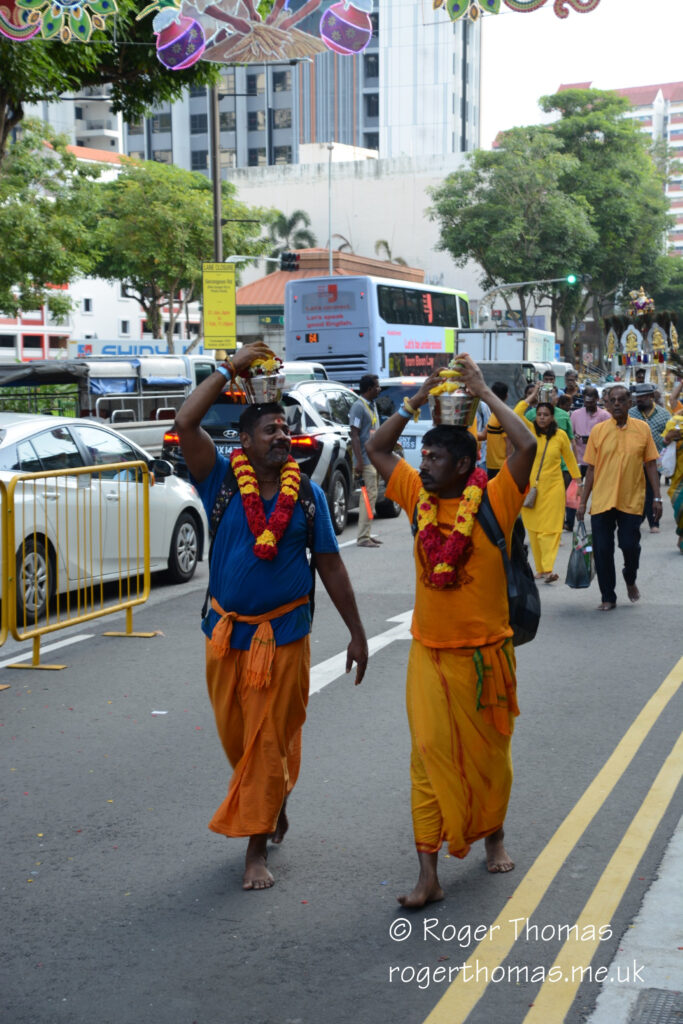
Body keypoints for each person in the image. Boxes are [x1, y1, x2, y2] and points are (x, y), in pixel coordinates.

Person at [175, 343, 368, 891]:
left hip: (285, 636)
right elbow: (186, 420)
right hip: (224, 635)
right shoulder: (220, 479)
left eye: (286, 429)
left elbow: (329, 566)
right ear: (244, 441)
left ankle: (255, 848)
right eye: (271, 430)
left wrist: (357, 633)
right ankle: (274, 798)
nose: (282, 436)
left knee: (264, 741)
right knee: (239, 740)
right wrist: (229, 368)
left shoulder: (306, 495)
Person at [366, 354, 536, 907]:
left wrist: (483, 392)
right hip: (430, 657)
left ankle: (495, 834)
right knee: (426, 757)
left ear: (465, 465)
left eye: (437, 457)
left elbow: (526, 448)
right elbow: (375, 449)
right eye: (425, 455)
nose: (427, 463)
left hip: (487, 658)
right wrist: (416, 399)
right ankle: (428, 874)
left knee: (491, 760)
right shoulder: (416, 497)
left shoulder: (495, 500)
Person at [577, 384, 662, 610]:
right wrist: (583, 502)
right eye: (612, 400)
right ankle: (608, 596)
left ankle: (630, 576)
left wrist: (657, 498)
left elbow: (651, 464)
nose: (616, 404)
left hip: (631, 500)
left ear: (629, 403)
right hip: (603, 500)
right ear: (607, 403)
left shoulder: (642, 429)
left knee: (629, 546)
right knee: (603, 549)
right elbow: (592, 469)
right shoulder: (599, 431)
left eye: (621, 400)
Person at [521, 403, 581, 583]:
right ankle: (539, 569)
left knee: (550, 529)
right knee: (533, 529)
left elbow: (570, 459)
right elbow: (516, 413)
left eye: (545, 414)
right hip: (532, 489)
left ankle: (548, 569)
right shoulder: (530, 430)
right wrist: (530, 398)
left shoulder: (560, 435)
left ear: (552, 417)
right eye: (538, 414)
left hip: (554, 488)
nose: (541, 417)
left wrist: (579, 481)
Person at [566, 386, 610, 531]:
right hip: (579, 459)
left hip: (598, 461)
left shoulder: (605, 416)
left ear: (597, 400)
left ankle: (600, 520)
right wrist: (576, 437)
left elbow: (610, 437)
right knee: (574, 491)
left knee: (598, 491)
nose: (588, 405)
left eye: (591, 402)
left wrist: (593, 439)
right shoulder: (575, 415)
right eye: (586, 402)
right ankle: (570, 522)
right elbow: (570, 435)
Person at [628, 383, 670, 533]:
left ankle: (654, 523)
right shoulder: (630, 413)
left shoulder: (664, 414)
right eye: (638, 397)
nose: (639, 399)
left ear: (651, 397)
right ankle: (636, 519)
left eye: (643, 397)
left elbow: (669, 434)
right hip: (634, 460)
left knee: (652, 490)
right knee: (637, 491)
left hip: (655, 460)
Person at [350, 374, 382, 547]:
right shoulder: (358, 406)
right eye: (376, 386)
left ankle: (367, 534)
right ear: (369, 389)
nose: (379, 389)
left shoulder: (372, 405)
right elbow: (354, 434)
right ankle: (363, 537)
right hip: (365, 460)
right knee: (367, 498)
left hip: (373, 459)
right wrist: (359, 461)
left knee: (372, 497)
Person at [661, 412, 683, 553]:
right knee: (680, 507)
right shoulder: (675, 421)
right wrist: (669, 437)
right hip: (678, 476)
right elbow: (664, 442)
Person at [485, 381, 510, 480]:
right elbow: (483, 435)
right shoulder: (494, 413)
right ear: (507, 396)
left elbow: (509, 443)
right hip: (491, 465)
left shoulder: (503, 415)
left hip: (500, 466)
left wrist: (508, 467)